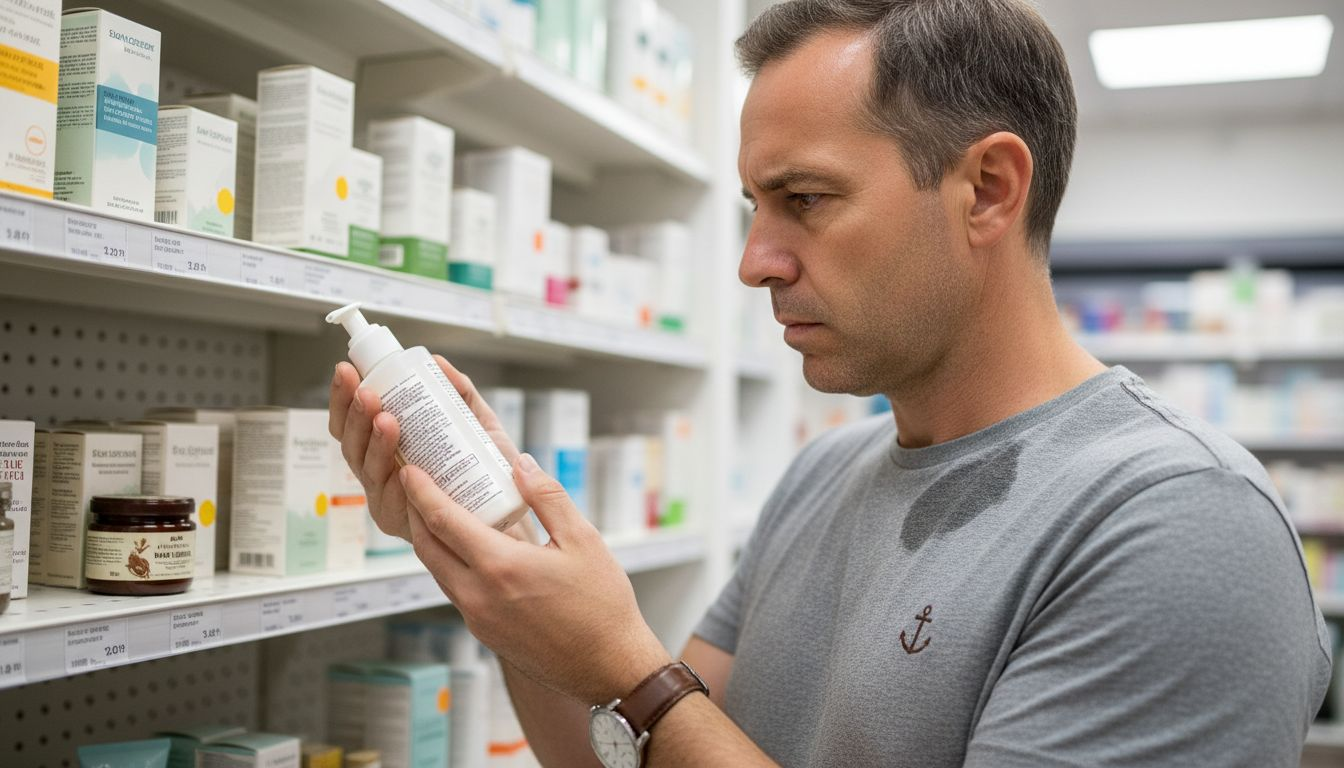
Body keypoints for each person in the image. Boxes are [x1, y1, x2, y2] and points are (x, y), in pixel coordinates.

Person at [330, 0, 1332, 765]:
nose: (755, 260)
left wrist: (629, 669)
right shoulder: (828, 473)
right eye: (755, 208)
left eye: (805, 199)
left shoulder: (1181, 524)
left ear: (988, 188)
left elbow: (650, 707)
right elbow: (642, 750)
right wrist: (497, 566)